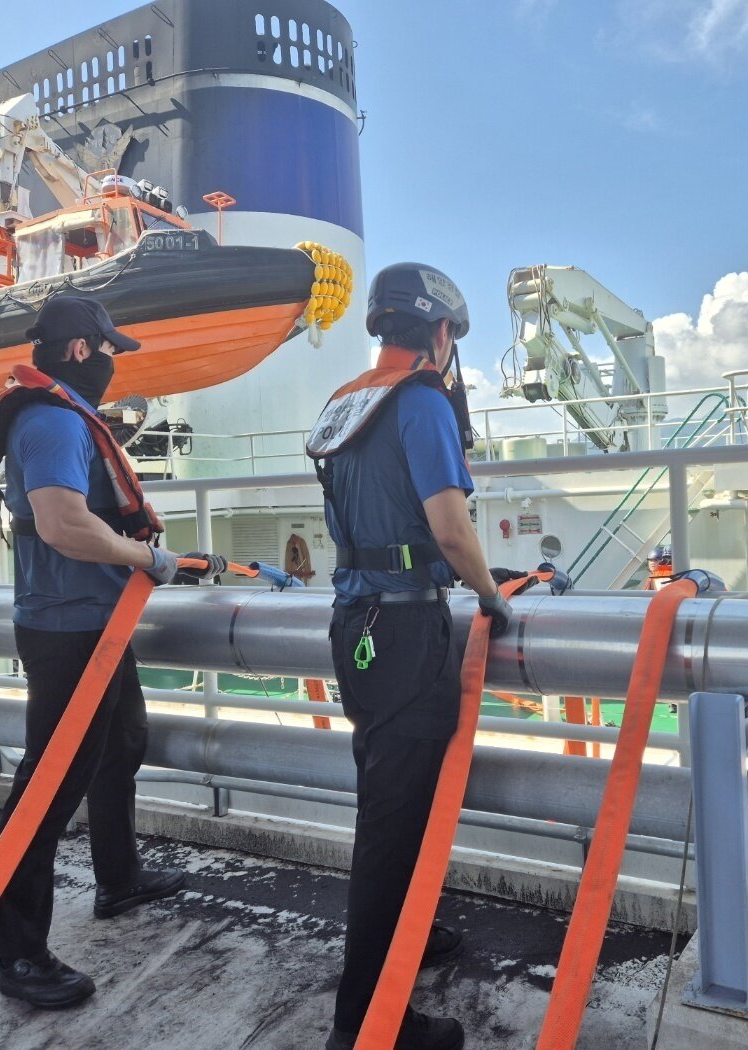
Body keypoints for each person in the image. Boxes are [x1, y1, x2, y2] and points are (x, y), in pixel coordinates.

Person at [0, 295, 227, 1009]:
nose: (113, 363)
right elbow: (61, 524)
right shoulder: (52, 420)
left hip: (95, 621)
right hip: (70, 630)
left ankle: (118, 878)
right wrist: (148, 558)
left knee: (122, 743)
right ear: (81, 350)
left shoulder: (53, 414)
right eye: (108, 349)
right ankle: (21, 957)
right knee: (47, 791)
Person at [306, 263, 515, 1050]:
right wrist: (493, 598)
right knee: (394, 826)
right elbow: (452, 531)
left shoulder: (347, 402)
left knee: (392, 802)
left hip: (354, 622)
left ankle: (414, 936)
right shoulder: (421, 401)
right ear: (439, 334)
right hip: (403, 632)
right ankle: (368, 1025)